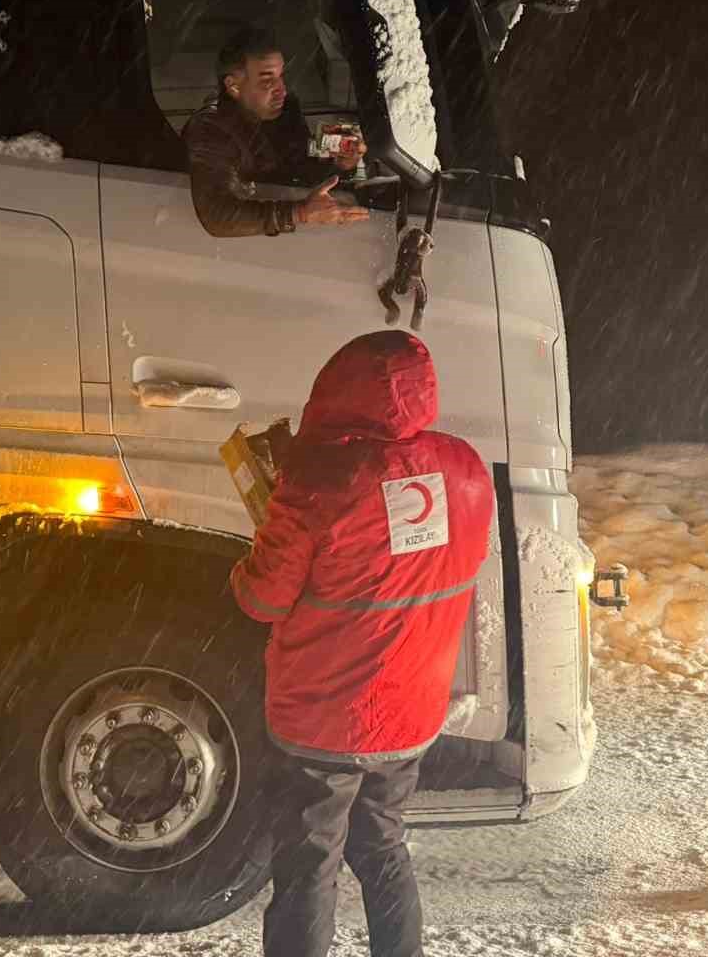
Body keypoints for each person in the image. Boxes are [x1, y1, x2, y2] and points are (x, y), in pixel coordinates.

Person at [230, 330, 495, 957]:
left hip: (326, 719)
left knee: (308, 865)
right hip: (409, 711)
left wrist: (259, 541)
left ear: (336, 390)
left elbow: (261, 599)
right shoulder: (463, 466)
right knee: (382, 849)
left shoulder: (317, 484)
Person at [185, 26, 370, 237]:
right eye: (267, 79)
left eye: (281, 76)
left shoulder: (286, 109)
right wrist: (299, 213)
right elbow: (218, 216)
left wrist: (340, 164)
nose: (281, 88)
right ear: (234, 86)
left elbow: (299, 168)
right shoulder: (211, 129)